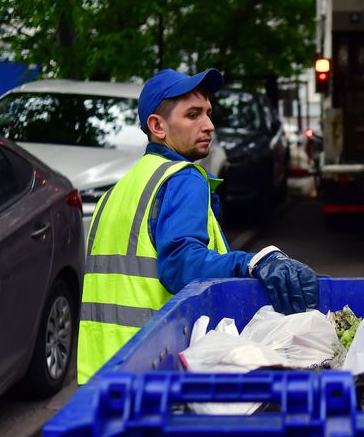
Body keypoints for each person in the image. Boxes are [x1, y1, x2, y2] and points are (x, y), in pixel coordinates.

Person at [77, 68, 319, 384]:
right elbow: (180, 265)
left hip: (100, 373)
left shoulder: (117, 192)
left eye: (208, 113)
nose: (209, 125)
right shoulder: (183, 177)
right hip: (153, 367)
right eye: (193, 115)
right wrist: (251, 263)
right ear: (157, 126)